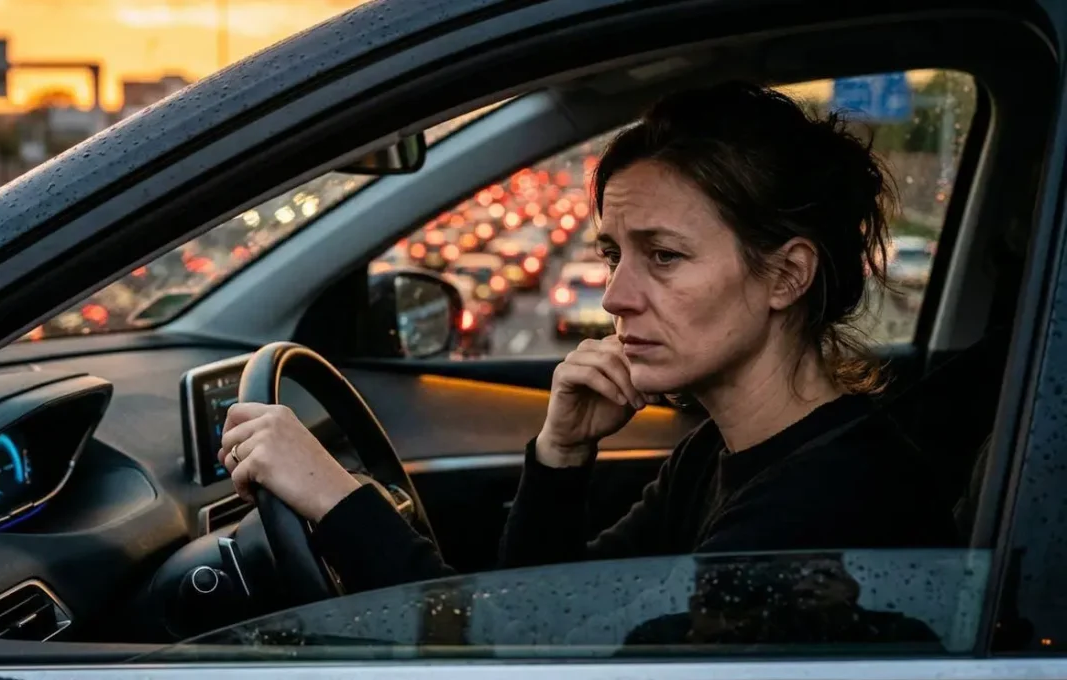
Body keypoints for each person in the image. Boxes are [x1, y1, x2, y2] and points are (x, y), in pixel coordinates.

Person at [216, 82, 960, 595]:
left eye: (664, 256)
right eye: (613, 253)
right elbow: (543, 616)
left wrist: (336, 499)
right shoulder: (718, 453)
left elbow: (495, 659)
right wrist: (562, 453)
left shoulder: (821, 510)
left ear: (786, 276)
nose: (614, 297)